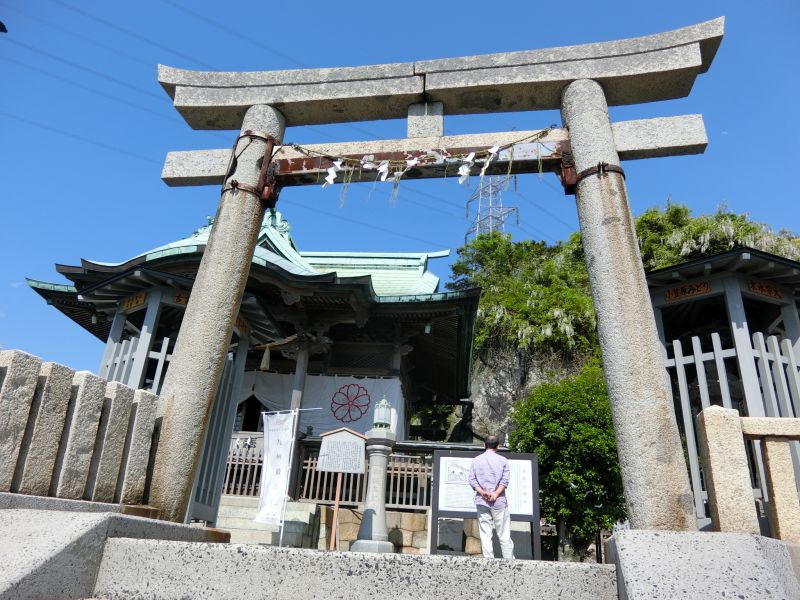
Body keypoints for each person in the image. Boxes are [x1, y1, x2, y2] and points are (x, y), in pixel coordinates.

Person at [468, 434, 515, 559]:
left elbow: (472, 480)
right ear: (498, 446)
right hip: (499, 501)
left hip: (481, 501)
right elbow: (505, 480)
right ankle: (508, 561)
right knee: (504, 534)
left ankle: (489, 561)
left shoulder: (476, 460)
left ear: (484, 445)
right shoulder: (503, 460)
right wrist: (496, 493)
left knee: (485, 534)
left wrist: (482, 492)